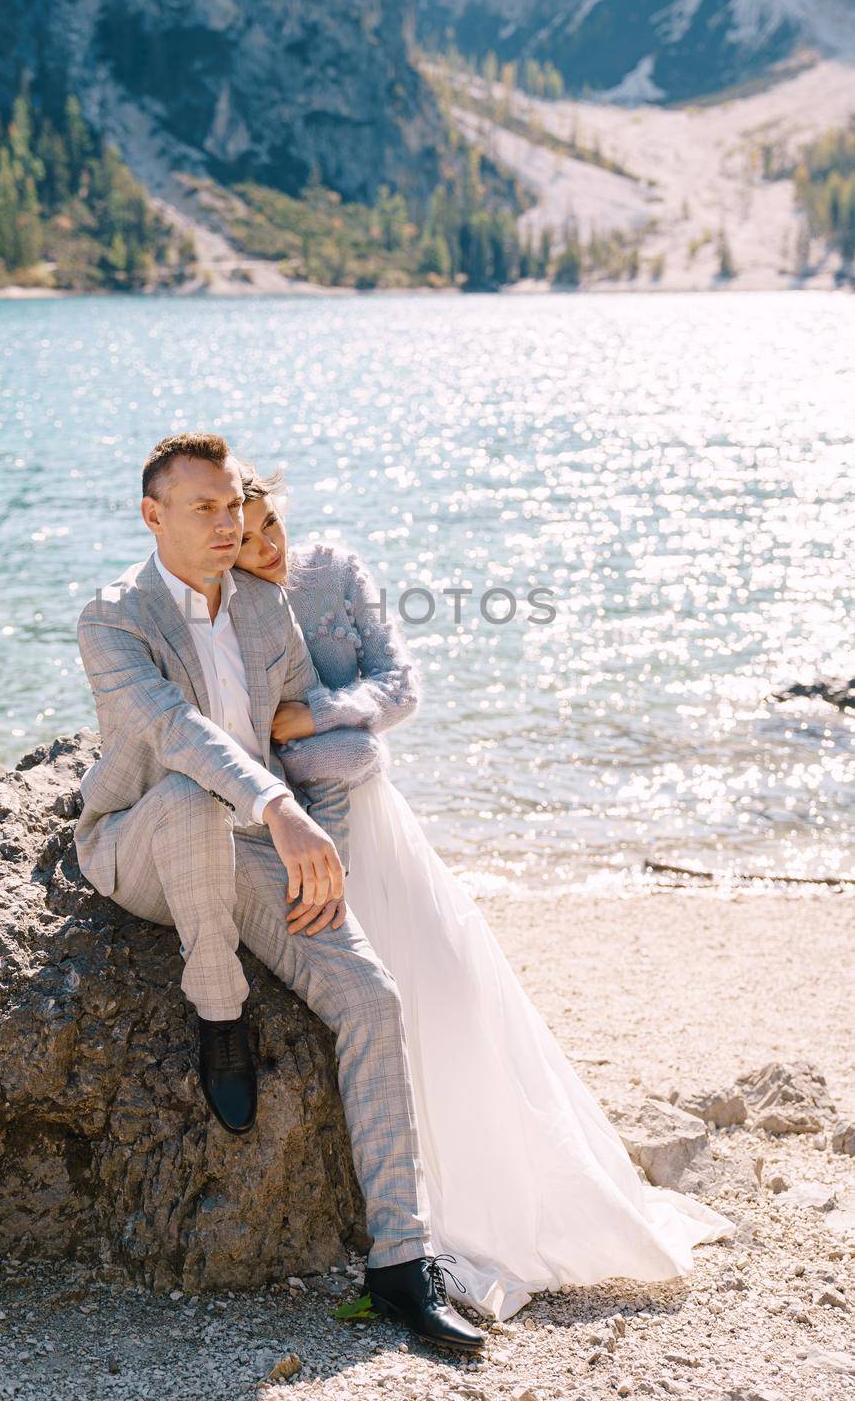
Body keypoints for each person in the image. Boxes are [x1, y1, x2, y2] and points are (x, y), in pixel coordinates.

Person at [232, 462, 737, 1323]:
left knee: (453, 993)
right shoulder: (227, 605)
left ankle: (496, 1197)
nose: (264, 548)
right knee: (374, 1005)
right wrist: (313, 757)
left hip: (380, 822)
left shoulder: (334, 570)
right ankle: (405, 1214)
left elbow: (400, 686)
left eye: (269, 525)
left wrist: (316, 717)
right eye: (242, 540)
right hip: (306, 829)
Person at [74, 431, 485, 1355]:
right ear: (152, 517)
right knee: (188, 793)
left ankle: (398, 1264)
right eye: (203, 509)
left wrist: (321, 852)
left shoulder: (265, 611)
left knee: (371, 1001)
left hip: (254, 846)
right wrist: (273, 804)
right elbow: (174, 733)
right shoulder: (113, 617)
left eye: (233, 505)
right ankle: (217, 1007)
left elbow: (302, 738)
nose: (227, 525)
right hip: (138, 840)